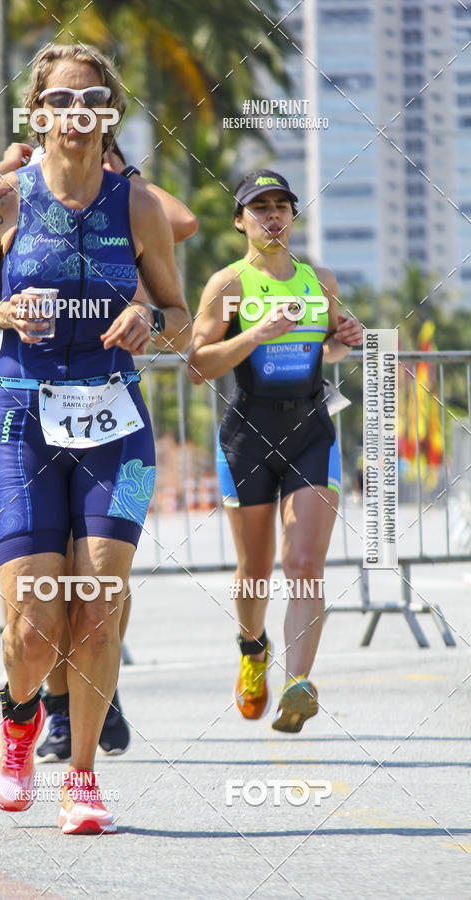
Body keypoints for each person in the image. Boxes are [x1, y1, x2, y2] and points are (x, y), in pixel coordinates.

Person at [0, 43, 191, 834]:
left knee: (98, 606)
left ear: (108, 113)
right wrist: (0, 314)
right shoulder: (2, 202)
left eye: (90, 100)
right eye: (59, 100)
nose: (74, 114)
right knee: (32, 621)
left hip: (117, 429)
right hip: (21, 422)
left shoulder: (140, 205)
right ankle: (18, 721)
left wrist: (150, 319)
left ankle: (82, 777)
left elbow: (181, 318)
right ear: (37, 113)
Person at [187, 170, 362, 732]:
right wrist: (254, 335)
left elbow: (329, 350)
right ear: (240, 220)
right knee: (255, 572)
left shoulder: (320, 279)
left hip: (312, 430)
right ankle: (252, 646)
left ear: (293, 216)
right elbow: (197, 366)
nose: (272, 216)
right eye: (258, 207)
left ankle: (299, 684)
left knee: (304, 564)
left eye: (281, 205)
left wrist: (344, 339)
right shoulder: (228, 285)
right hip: (248, 435)